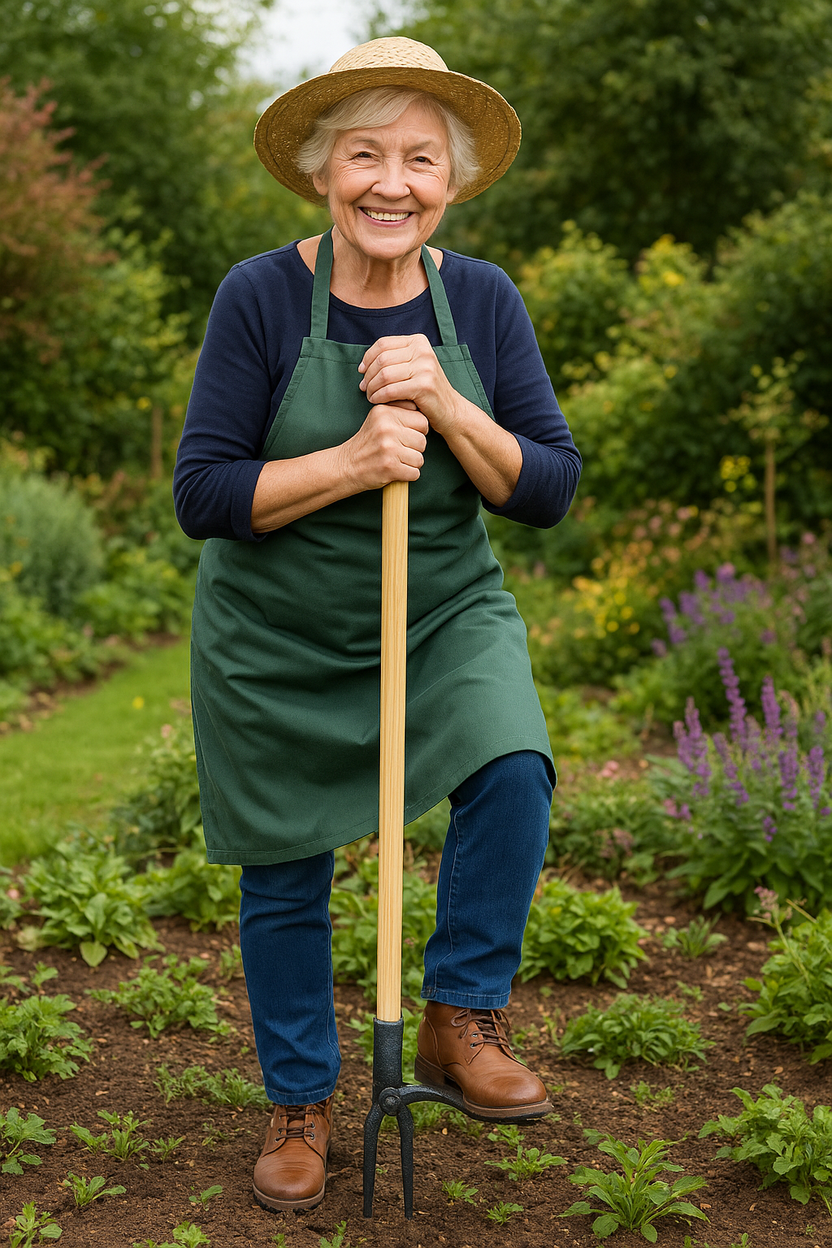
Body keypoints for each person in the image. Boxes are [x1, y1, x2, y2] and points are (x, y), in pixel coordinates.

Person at [173, 36, 581, 1214]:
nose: (390, 183)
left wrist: (448, 402)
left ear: (452, 180)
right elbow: (204, 492)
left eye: (419, 159)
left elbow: (547, 486)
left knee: (513, 766)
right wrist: (352, 461)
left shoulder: (482, 298)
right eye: (363, 156)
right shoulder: (259, 295)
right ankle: (300, 1103)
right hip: (276, 637)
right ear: (320, 171)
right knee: (285, 870)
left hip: (440, 612)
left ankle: (462, 1017)